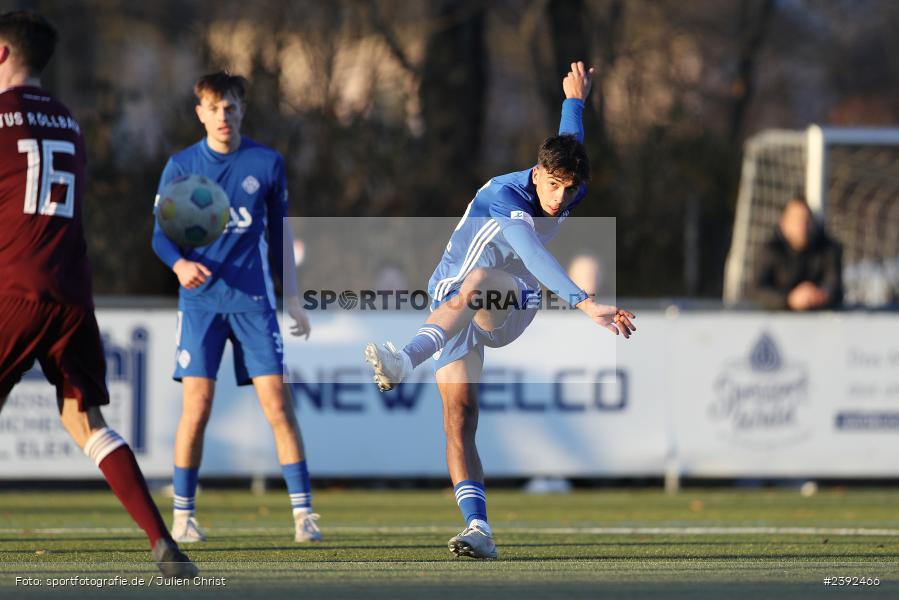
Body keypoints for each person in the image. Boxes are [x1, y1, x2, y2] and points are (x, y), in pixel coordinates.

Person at [364, 62, 636, 559]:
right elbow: (531, 240)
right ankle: (479, 530)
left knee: (482, 280)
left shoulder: (566, 179)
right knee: (459, 418)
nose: (560, 197)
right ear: (537, 174)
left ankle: (404, 359)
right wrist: (585, 301)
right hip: (451, 304)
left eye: (570, 188)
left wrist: (575, 102)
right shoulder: (505, 194)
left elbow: (534, 249)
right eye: (553, 186)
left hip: (510, 299)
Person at [0, 11, 196, 576]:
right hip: (69, 289)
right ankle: (161, 541)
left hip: (15, 286)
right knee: (83, 421)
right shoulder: (69, 122)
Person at [151, 72, 320, 544]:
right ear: (199, 113)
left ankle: (304, 516)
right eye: (214, 108)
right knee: (198, 408)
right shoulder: (181, 167)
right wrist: (180, 264)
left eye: (231, 107)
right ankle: (183, 516)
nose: (223, 116)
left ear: (242, 110)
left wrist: (293, 296)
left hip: (253, 303)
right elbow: (159, 236)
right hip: (202, 303)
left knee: (277, 406)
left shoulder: (266, 163)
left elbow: (281, 233)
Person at [753, 196, 843, 310]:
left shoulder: (829, 249)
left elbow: (834, 286)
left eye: (806, 219)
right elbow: (758, 290)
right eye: (796, 220)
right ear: (783, 223)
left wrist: (820, 295)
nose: (802, 225)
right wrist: (789, 300)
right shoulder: (771, 249)